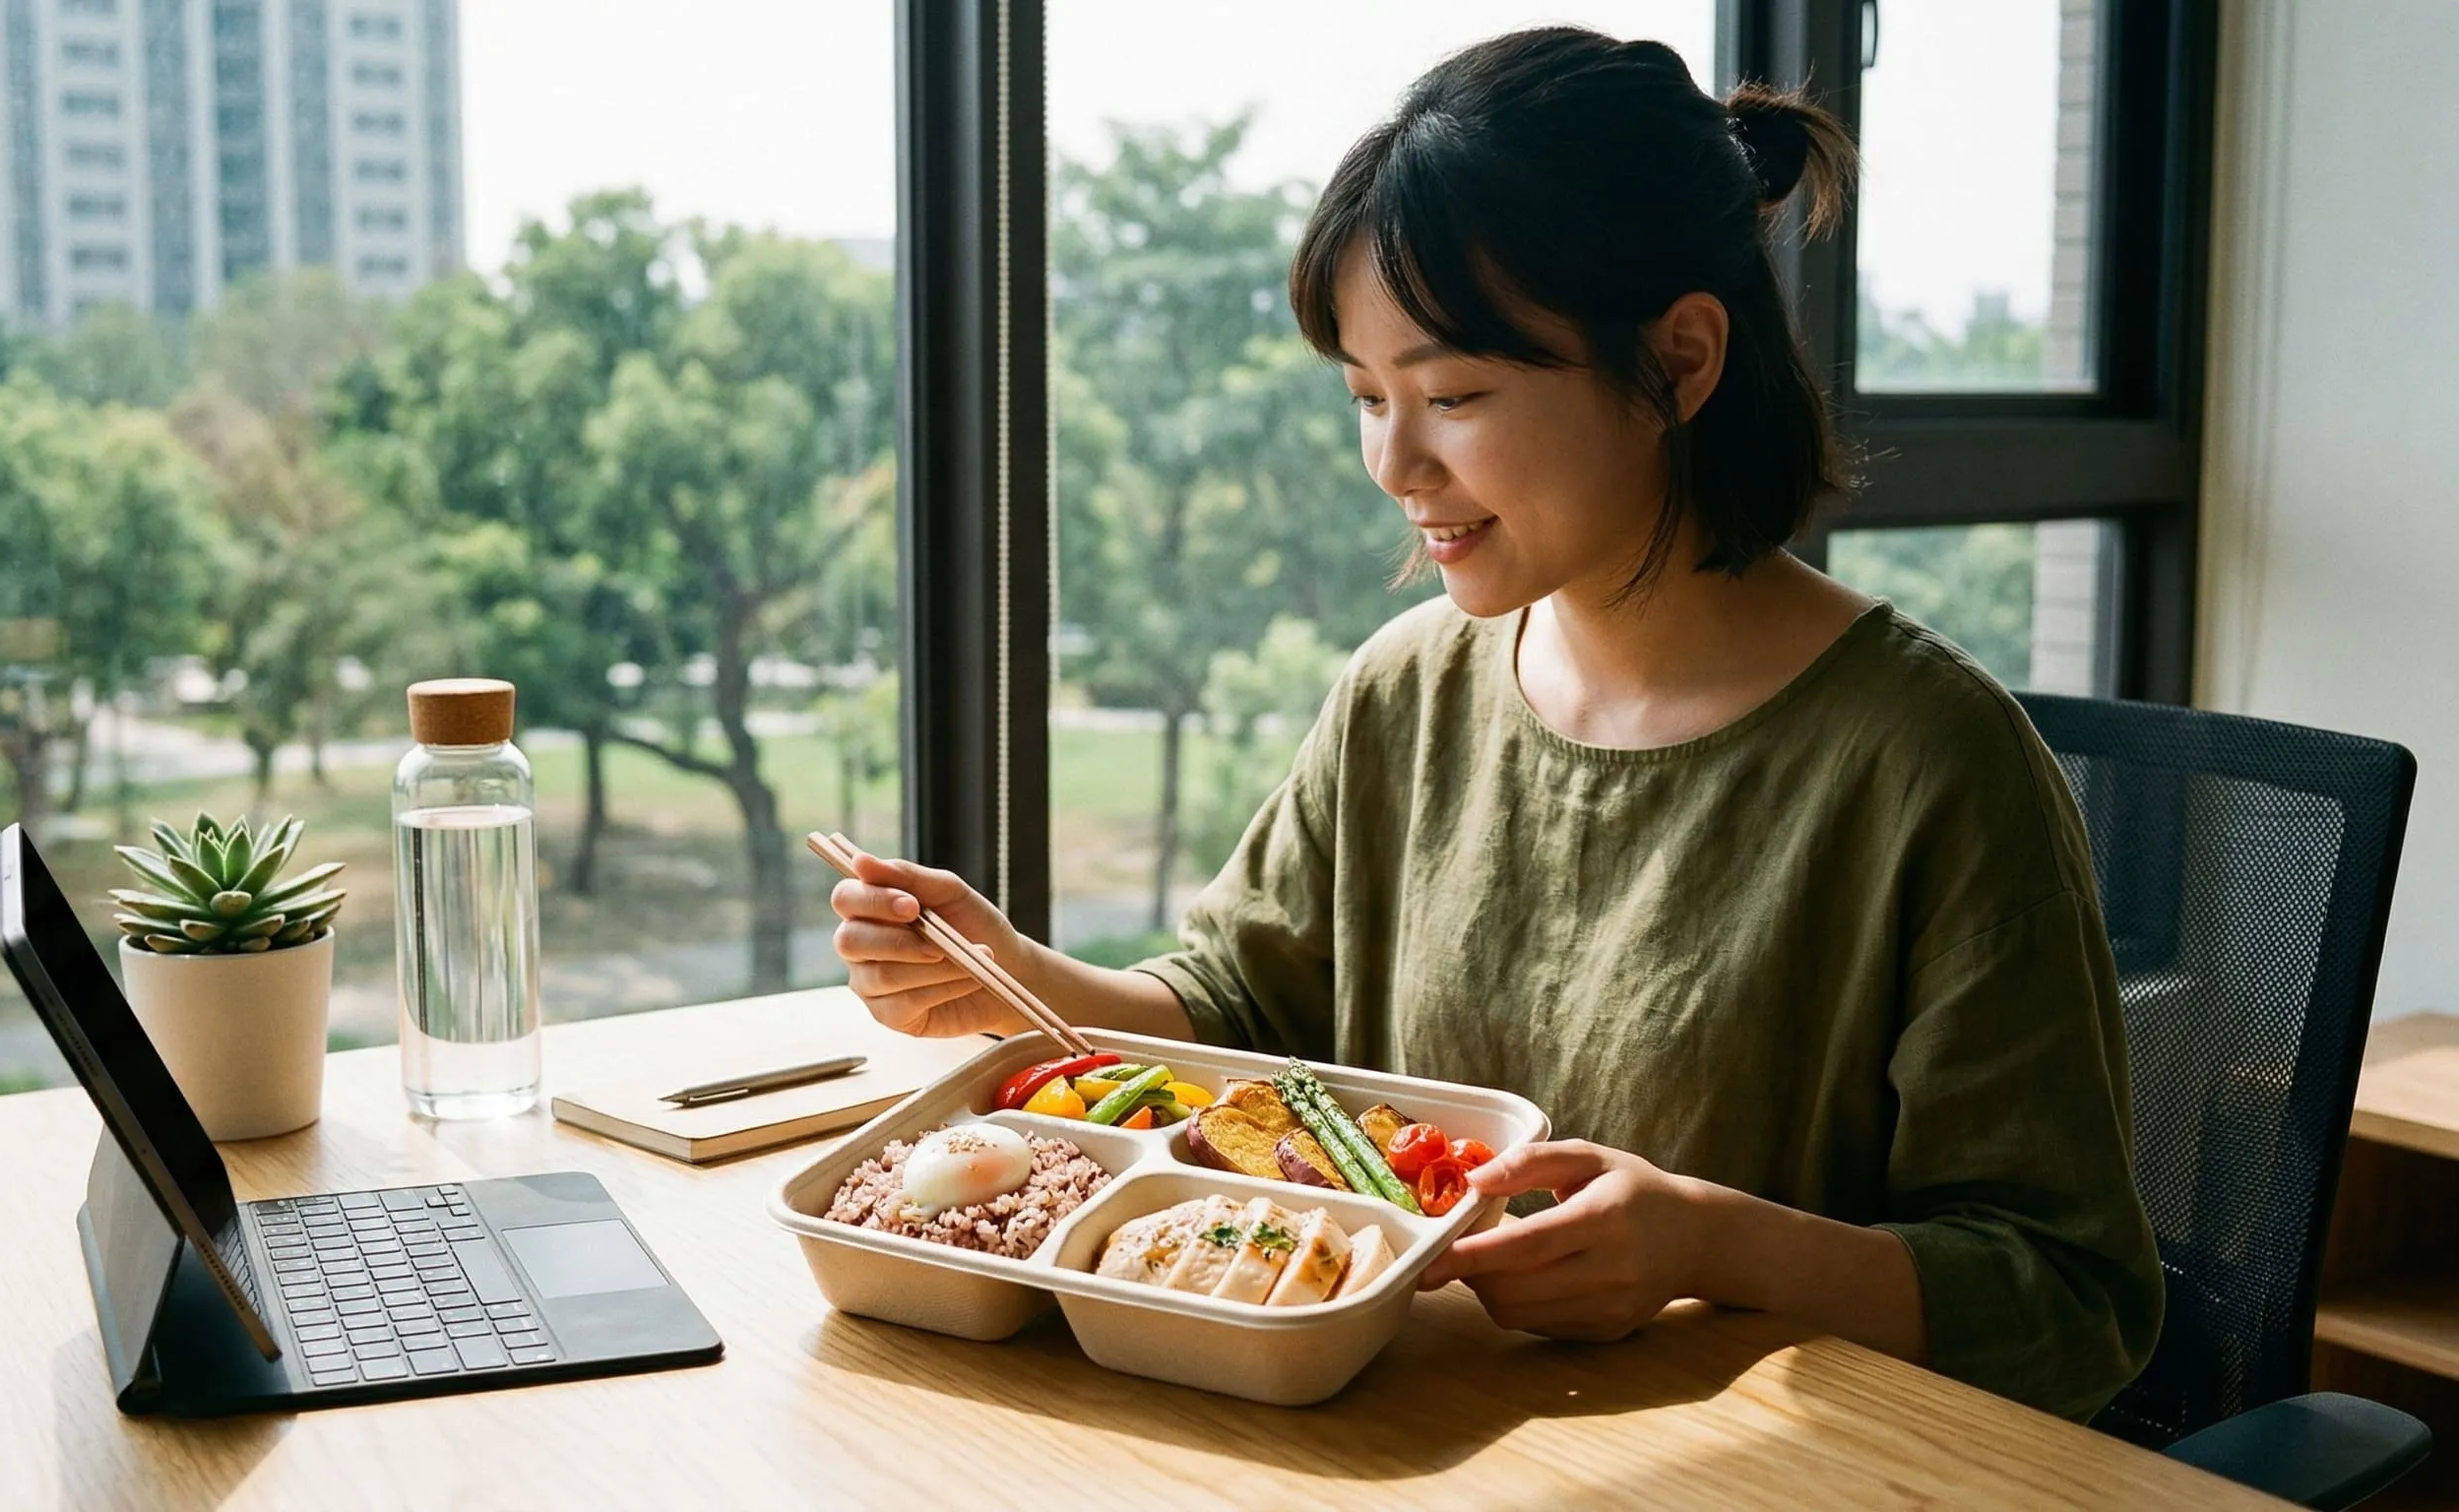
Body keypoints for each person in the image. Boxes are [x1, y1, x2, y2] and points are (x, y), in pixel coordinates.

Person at [829, 28, 2162, 1422]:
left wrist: (1714, 1245)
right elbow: (1238, 1011)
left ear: (1681, 359)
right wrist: (1020, 980)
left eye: (1454, 395)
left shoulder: (1932, 763)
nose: (1396, 464)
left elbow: (2072, 1302)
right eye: (1366, 397)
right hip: (1402, 1426)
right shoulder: (1406, 690)